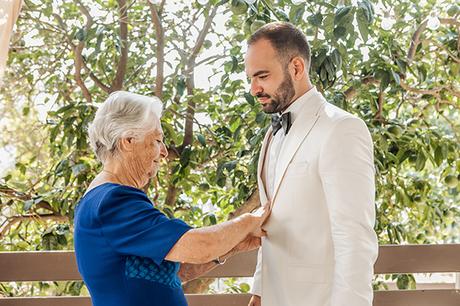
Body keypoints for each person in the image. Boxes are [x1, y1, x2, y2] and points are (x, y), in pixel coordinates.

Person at [73, 91, 270, 306]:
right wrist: (250, 220)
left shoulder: (108, 199)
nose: (165, 152)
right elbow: (201, 245)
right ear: (128, 141)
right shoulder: (112, 202)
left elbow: (172, 273)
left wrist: (234, 246)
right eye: (157, 140)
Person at [245, 22, 378, 306]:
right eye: (250, 78)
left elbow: (355, 237)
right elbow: (272, 223)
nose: (254, 88)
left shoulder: (342, 128)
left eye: (262, 76)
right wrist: (260, 289)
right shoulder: (271, 134)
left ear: (296, 68)